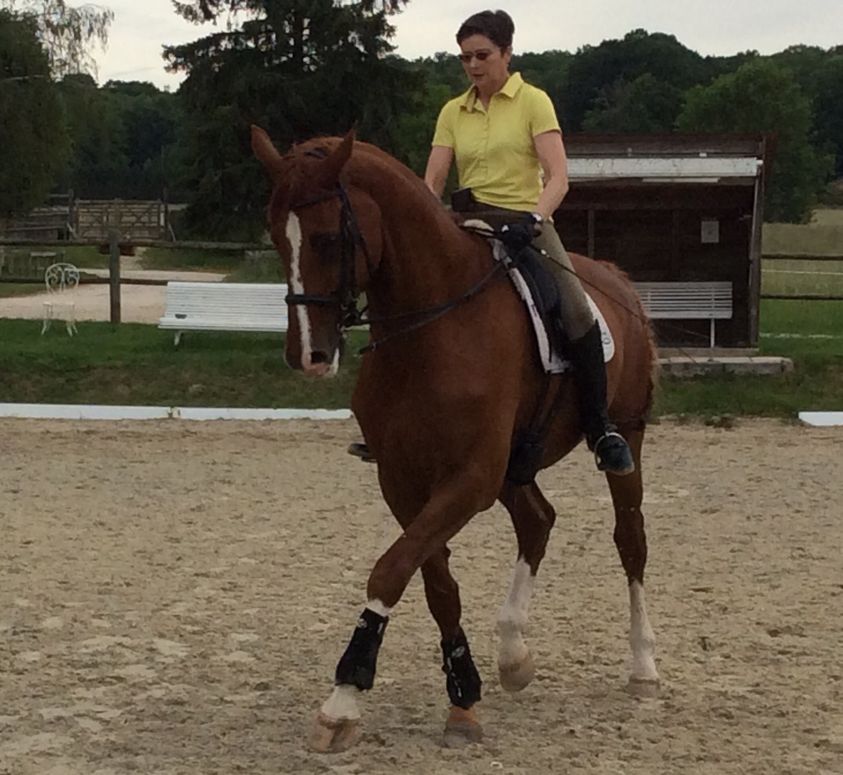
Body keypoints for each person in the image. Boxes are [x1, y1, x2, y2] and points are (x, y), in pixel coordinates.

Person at [351, 9, 634, 476]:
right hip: (466, 224)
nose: (473, 66)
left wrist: (534, 217)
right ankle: (387, 420)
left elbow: (559, 176)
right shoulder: (452, 111)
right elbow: (433, 181)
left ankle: (600, 427)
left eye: (482, 55)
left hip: (526, 224)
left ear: (506, 53)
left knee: (577, 311)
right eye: (465, 58)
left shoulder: (533, 103)